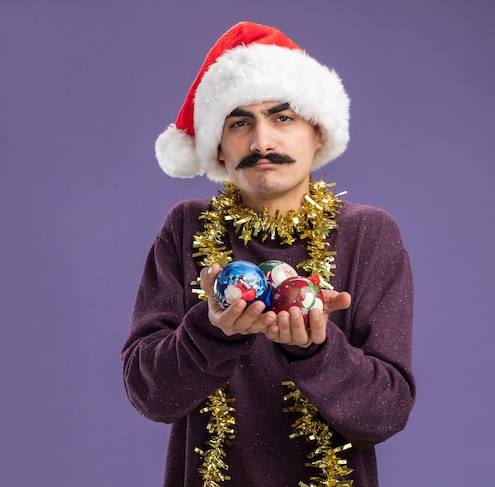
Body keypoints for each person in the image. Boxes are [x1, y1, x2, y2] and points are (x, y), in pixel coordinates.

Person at [122, 21, 415, 487]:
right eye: (239, 122)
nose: (262, 143)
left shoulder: (368, 234)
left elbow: (386, 412)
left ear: (318, 131)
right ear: (216, 145)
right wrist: (211, 332)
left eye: (283, 118)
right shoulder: (186, 229)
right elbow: (149, 393)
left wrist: (316, 350)